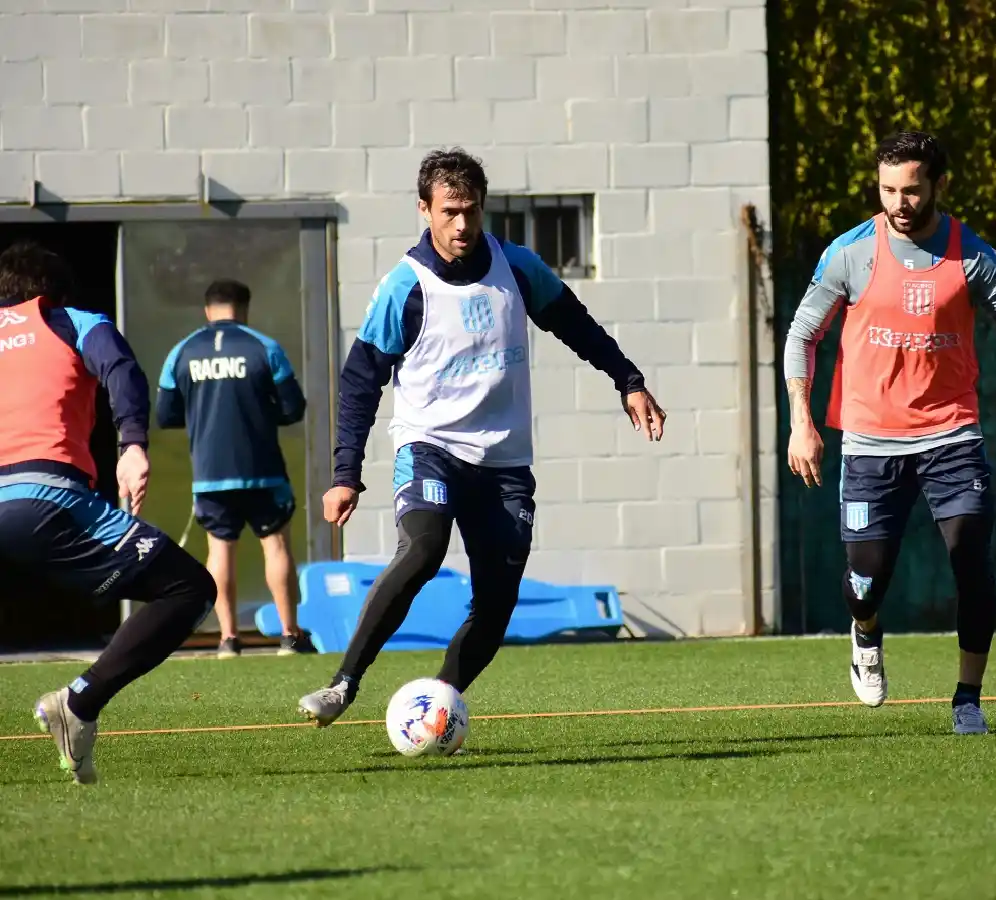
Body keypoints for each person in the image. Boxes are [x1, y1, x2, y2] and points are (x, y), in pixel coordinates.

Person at [298, 148, 667, 726]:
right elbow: (358, 382)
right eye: (449, 212)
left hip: (505, 465)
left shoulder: (516, 267)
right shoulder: (405, 286)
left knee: (496, 605)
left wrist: (628, 379)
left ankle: (436, 705)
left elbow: (574, 323)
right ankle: (344, 683)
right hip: (431, 451)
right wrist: (346, 474)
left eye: (471, 210)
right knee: (422, 550)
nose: (462, 224)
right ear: (425, 210)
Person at [784, 131, 996, 735]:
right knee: (866, 579)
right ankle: (865, 631)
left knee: (970, 555)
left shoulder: (971, 255)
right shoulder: (849, 253)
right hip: (870, 441)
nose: (898, 201)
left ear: (937, 186)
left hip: (952, 436)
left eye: (911, 189)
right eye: (887, 189)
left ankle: (967, 698)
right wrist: (802, 421)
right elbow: (803, 337)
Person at [0, 241, 216, 784]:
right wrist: (133, 445)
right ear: (55, 292)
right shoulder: (72, 320)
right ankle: (79, 703)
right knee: (189, 589)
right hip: (46, 500)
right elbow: (120, 370)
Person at [157, 279, 315, 658]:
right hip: (263, 469)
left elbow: (165, 415)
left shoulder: (181, 352)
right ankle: (290, 636)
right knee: (275, 546)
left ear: (207, 311)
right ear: (244, 309)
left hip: (211, 473)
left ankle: (228, 639)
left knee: (219, 551)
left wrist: (201, 417)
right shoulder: (264, 347)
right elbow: (294, 408)